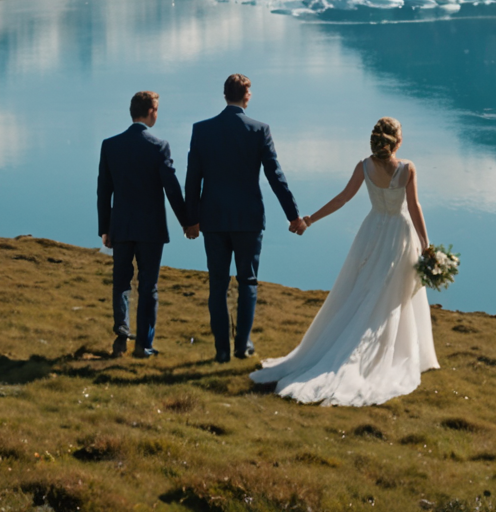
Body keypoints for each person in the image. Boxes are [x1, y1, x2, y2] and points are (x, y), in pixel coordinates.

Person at [251, 116, 438, 406]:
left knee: (365, 290)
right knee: (391, 295)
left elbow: (342, 199)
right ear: (398, 141)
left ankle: (353, 344)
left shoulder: (364, 166)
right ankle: (387, 352)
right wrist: (426, 244)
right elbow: (414, 207)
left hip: (371, 232)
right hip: (399, 235)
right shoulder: (407, 169)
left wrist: (310, 219)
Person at [184, 73, 303, 363]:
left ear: (225, 95)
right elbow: (276, 177)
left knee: (218, 285)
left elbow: (192, 181)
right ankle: (242, 345)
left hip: (213, 218)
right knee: (247, 282)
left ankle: (221, 350)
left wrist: (191, 219)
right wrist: (293, 216)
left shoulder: (202, 130)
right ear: (246, 96)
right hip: (249, 218)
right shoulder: (259, 130)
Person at [97, 90, 190, 358]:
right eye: (157, 109)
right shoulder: (158, 146)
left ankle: (121, 333)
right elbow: (171, 189)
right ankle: (143, 346)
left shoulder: (110, 145)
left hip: (121, 226)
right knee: (148, 286)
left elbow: (104, 191)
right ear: (151, 111)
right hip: (151, 230)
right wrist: (187, 222)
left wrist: (105, 228)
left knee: (121, 282)